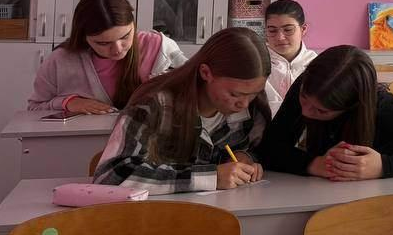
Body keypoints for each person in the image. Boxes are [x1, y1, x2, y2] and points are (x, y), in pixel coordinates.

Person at [93, 26, 270, 193]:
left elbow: (256, 151)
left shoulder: (252, 108)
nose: (244, 104)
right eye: (234, 94)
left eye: (253, 94)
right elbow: (111, 176)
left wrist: (246, 158)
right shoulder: (154, 103)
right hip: (155, 212)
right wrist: (211, 178)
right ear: (206, 73)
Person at [258, 45, 393, 179]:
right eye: (304, 99)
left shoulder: (381, 106)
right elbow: (269, 148)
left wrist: (383, 166)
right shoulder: (307, 86)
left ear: (352, 106)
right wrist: (314, 164)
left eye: (321, 111)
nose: (306, 112)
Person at [28, 0, 186, 113]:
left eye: (125, 36)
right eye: (103, 43)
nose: (117, 49)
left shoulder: (160, 47)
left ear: (134, 24)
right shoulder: (60, 60)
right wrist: (67, 103)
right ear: (84, 37)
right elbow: (34, 108)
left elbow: (194, 93)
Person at [262, 0, 317, 114]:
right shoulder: (257, 62)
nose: (280, 37)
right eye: (272, 31)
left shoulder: (316, 64)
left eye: (288, 30)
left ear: (303, 29)